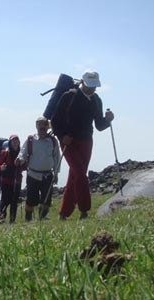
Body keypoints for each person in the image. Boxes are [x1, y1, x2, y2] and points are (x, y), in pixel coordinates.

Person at [53, 71, 114, 220]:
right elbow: (55, 120)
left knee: (75, 175)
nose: (92, 89)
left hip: (86, 141)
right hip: (69, 142)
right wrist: (62, 136)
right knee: (80, 173)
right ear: (83, 83)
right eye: (90, 85)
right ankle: (84, 210)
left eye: (95, 86)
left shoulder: (96, 100)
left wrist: (108, 120)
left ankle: (64, 213)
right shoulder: (69, 96)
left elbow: (99, 125)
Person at [15, 117, 61, 221]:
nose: (42, 127)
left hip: (48, 175)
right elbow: (23, 152)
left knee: (46, 200)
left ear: (47, 126)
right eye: (40, 124)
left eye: (44, 124)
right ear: (36, 126)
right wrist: (19, 159)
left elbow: (56, 157)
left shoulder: (53, 141)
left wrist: (56, 174)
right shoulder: (30, 140)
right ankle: (28, 218)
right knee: (31, 199)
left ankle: (41, 218)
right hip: (32, 174)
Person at [0, 135, 24, 223]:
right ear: (10, 143)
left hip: (17, 180)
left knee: (14, 201)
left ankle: (12, 220)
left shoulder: (21, 154)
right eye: (13, 141)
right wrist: (1, 167)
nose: (15, 142)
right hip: (6, 181)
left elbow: (24, 166)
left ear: (19, 143)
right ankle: (1, 218)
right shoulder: (4, 153)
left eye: (17, 141)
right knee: (4, 200)